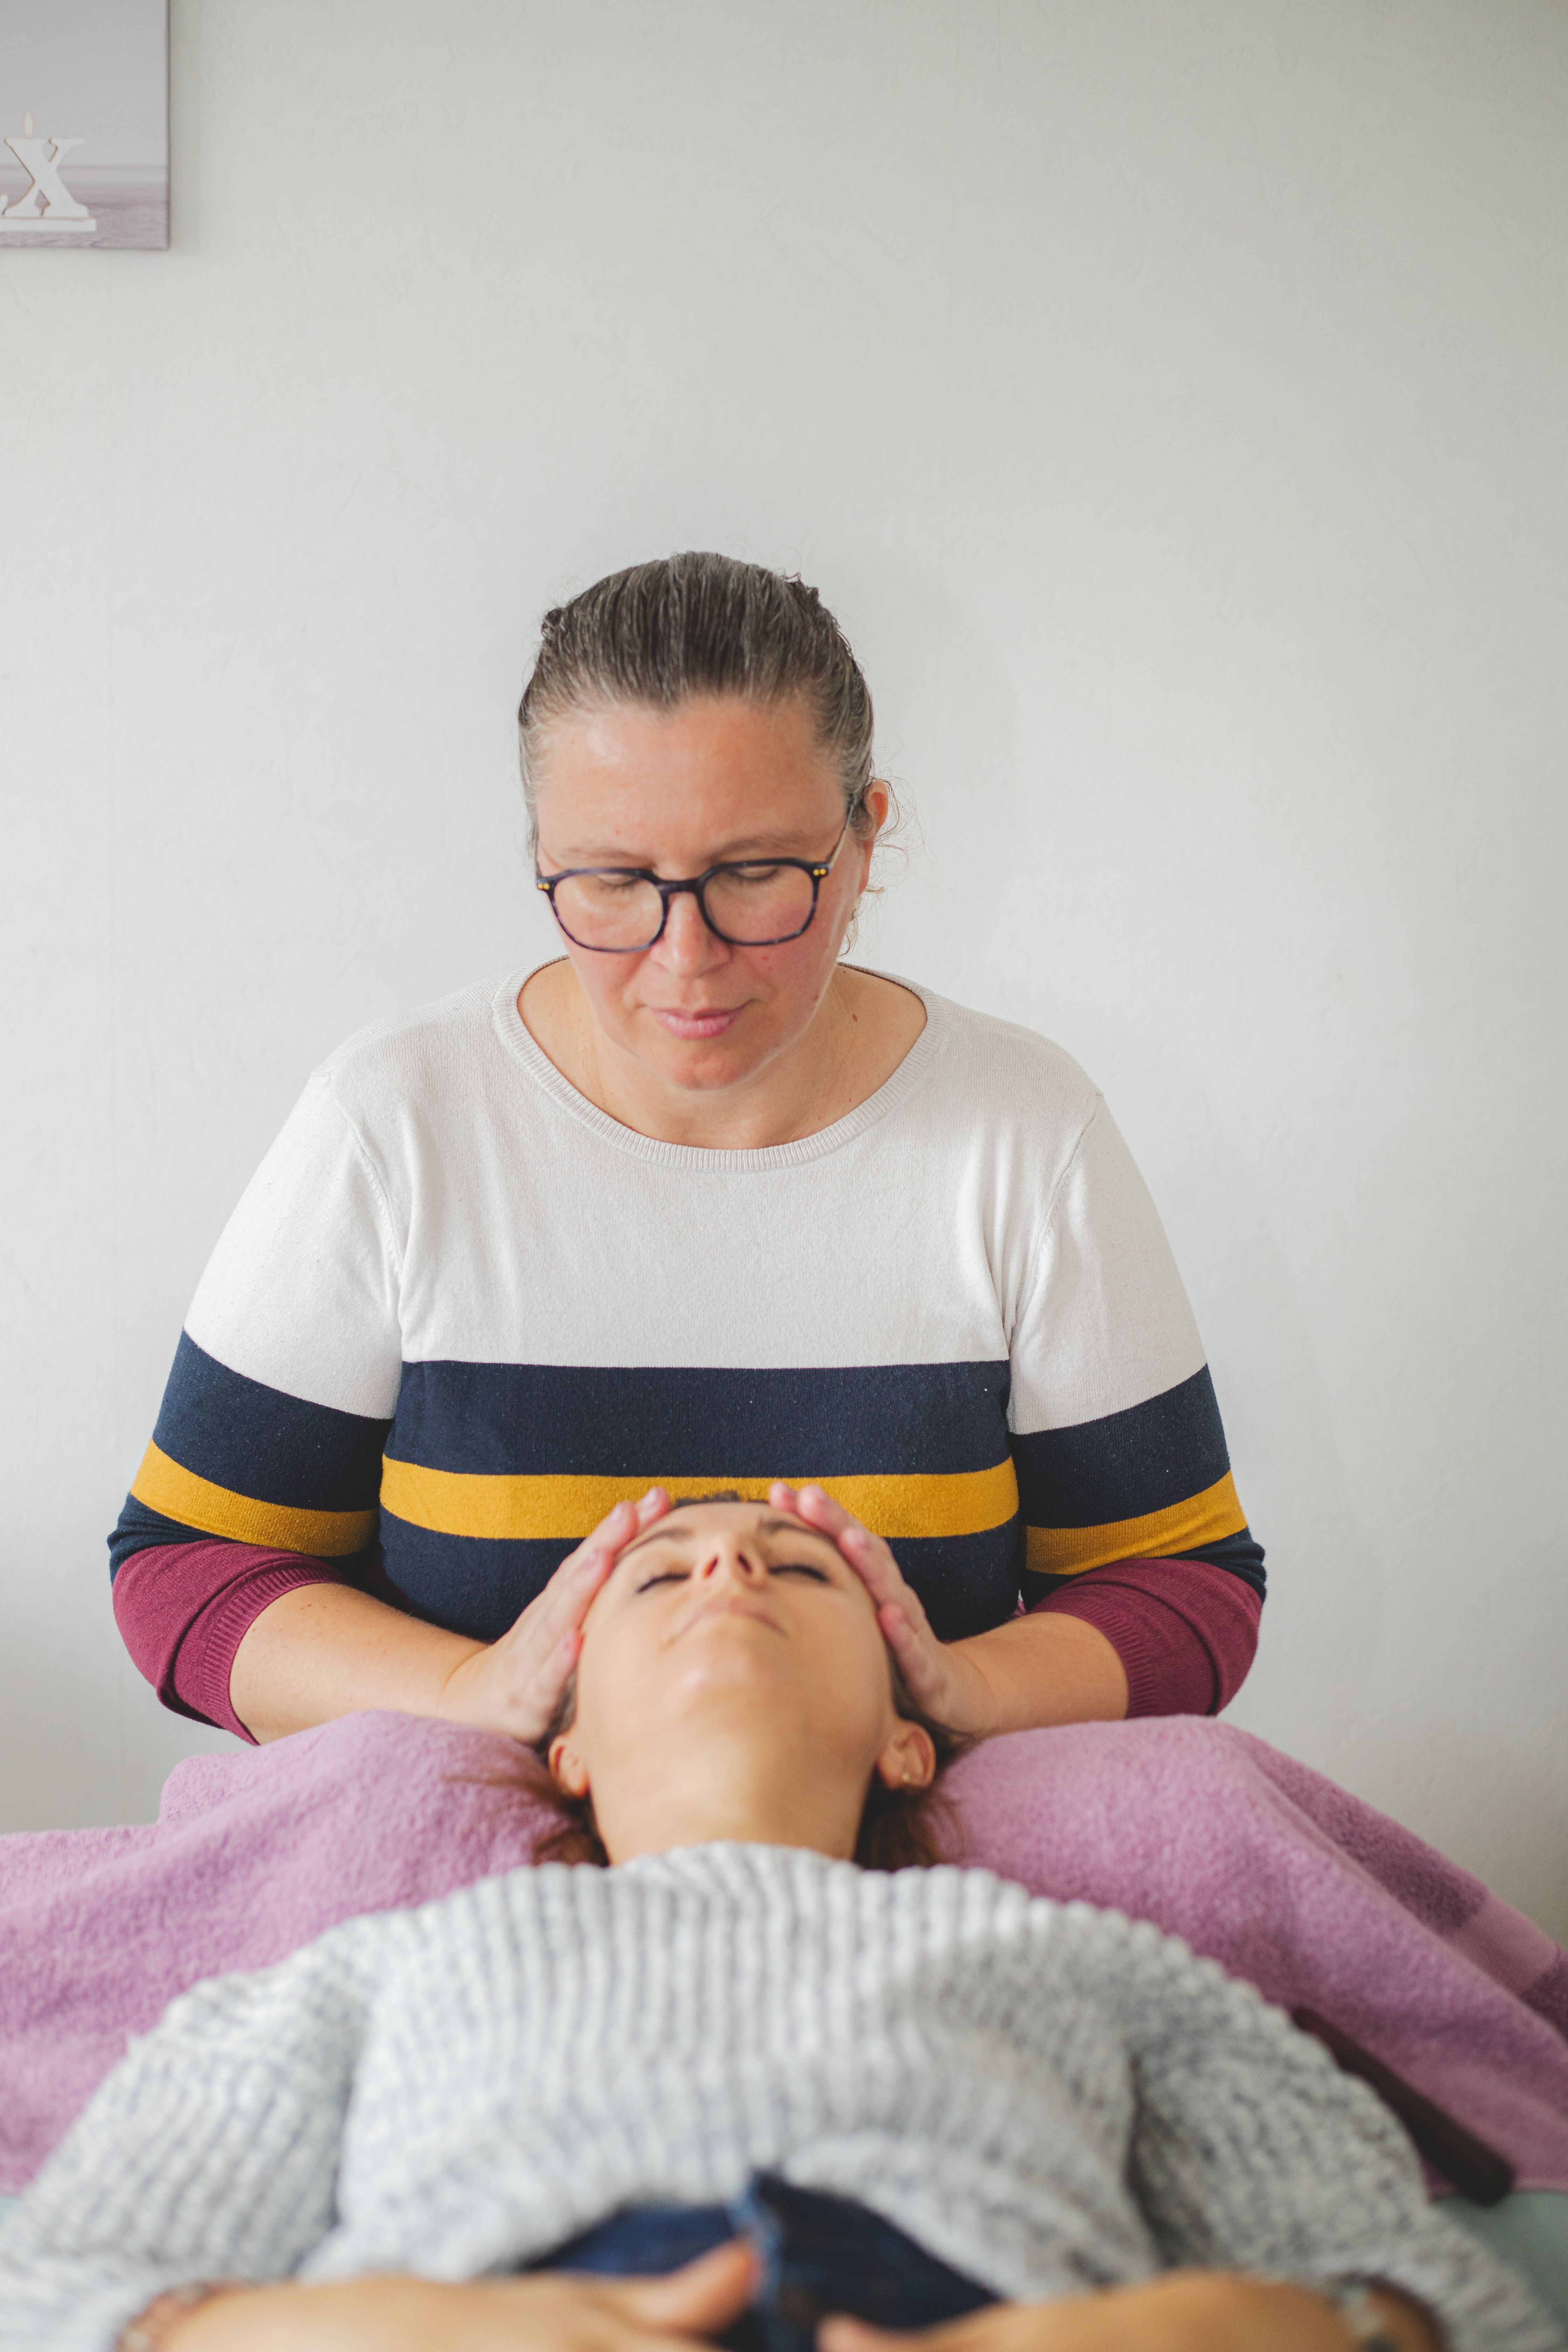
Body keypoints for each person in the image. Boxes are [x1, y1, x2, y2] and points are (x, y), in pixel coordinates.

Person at [109, 553, 1266, 1755]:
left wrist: (949, 1693)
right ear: (542, 857)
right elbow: (188, 1568)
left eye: (757, 876)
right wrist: (475, 1697)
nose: (685, 956)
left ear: (864, 843)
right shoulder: (394, 1124)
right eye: (613, 881)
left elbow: (1183, 1584)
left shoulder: (1024, 1135)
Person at [2, 1497, 1552, 2352]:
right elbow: (67, 2287)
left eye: (795, 1566)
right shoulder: (362, 1973)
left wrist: (1233, 2332)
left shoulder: (1090, 1965)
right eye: (658, 1574)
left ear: (906, 1736)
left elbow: (1438, 2295)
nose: (728, 1560)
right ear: (567, 1748)